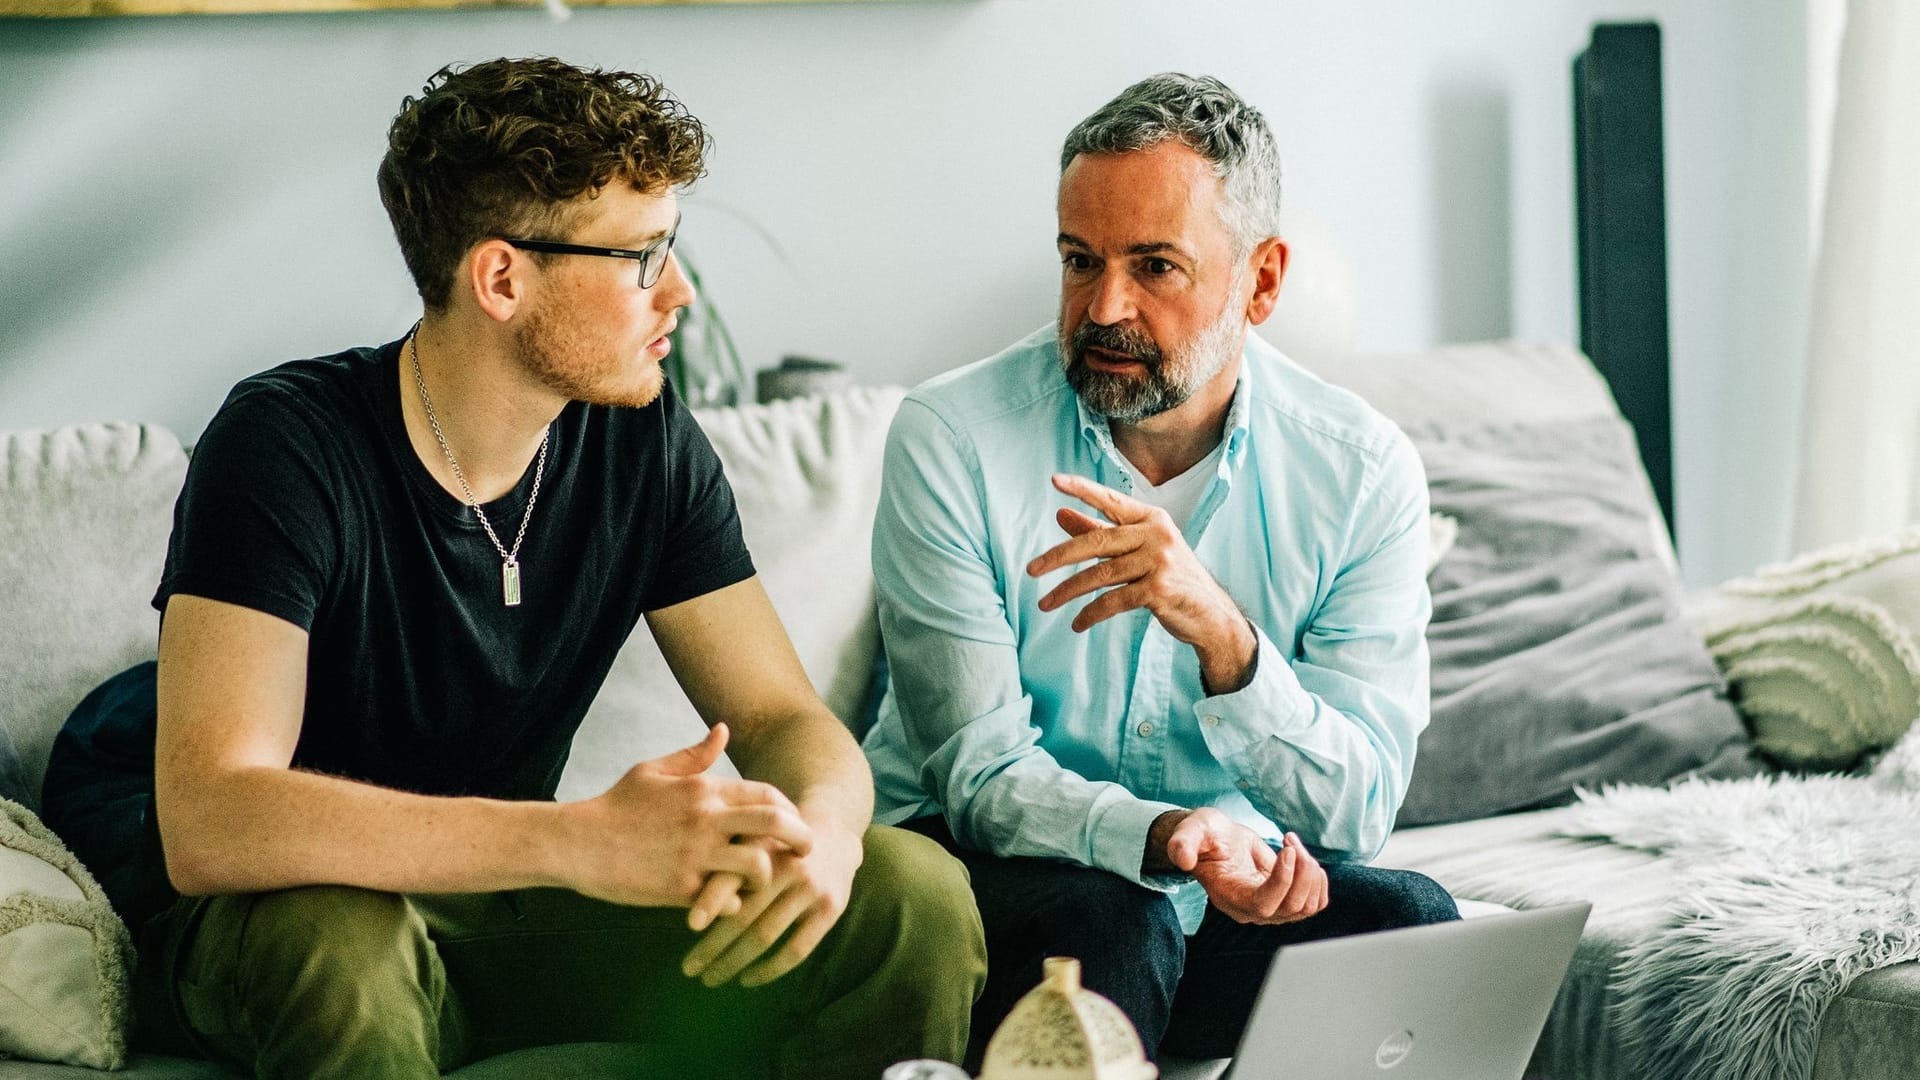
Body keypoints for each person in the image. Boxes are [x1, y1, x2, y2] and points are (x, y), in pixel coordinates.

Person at [49, 57, 984, 1080]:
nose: (675, 292)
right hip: (281, 920)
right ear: (501, 277)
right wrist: (575, 841)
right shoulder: (286, 443)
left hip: (508, 912)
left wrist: (826, 837)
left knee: (911, 893)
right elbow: (213, 817)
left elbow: (780, 720)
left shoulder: (645, 443)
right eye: (638, 257)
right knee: (342, 939)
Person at [861, 72, 1459, 1065]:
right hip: (989, 875)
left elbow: (1357, 808)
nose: (1105, 306)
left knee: (1410, 923)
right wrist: (1170, 836)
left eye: (1156, 267)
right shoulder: (952, 437)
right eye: (1079, 260)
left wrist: (1226, 640)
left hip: (1208, 881)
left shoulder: (1359, 472)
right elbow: (977, 774)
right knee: (1116, 917)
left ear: (1261, 281)